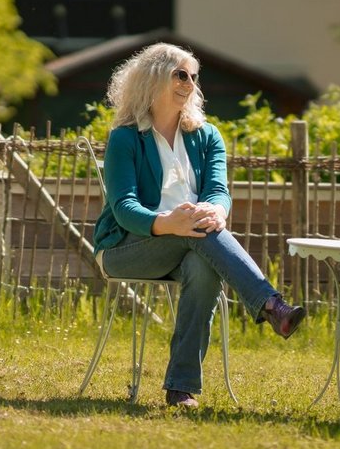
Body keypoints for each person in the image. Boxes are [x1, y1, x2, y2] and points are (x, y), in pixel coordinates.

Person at [92, 42, 306, 408]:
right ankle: (270, 304)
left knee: (205, 269)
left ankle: (181, 388)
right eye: (180, 75)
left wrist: (218, 213)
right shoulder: (126, 138)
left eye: (193, 77)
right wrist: (167, 223)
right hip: (128, 248)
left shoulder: (207, 136)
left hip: (192, 241)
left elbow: (218, 192)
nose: (189, 83)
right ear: (153, 78)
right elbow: (124, 208)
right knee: (198, 231)